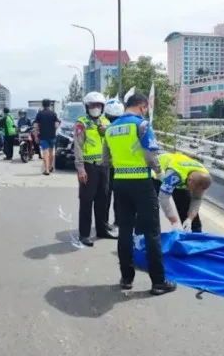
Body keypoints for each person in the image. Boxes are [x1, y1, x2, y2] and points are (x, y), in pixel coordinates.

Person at [102, 93, 177, 295]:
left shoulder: (111, 128)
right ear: (142, 106)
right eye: (146, 107)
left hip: (120, 183)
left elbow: (105, 160)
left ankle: (126, 278)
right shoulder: (141, 125)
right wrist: (160, 173)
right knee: (152, 232)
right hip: (142, 184)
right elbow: (151, 155)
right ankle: (158, 282)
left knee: (124, 230)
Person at [74, 92, 117, 246]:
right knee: (86, 201)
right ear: (87, 107)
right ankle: (84, 234)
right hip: (88, 166)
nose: (96, 108)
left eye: (98, 105)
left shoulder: (106, 121)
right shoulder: (81, 123)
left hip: (104, 166)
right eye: (93, 105)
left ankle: (102, 230)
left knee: (103, 199)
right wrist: (80, 168)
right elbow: (78, 147)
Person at [152, 152, 212, 232]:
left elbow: (197, 199)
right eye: (192, 189)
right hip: (158, 173)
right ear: (190, 180)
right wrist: (174, 221)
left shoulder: (203, 178)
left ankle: (196, 234)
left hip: (183, 174)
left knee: (185, 204)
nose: (192, 191)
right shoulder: (174, 175)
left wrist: (190, 219)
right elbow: (163, 198)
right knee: (153, 206)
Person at [104, 98, 125, 229]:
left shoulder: (106, 128)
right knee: (117, 197)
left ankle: (107, 222)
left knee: (107, 196)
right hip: (119, 168)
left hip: (111, 167)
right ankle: (116, 221)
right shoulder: (127, 126)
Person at [34, 98, 60, 175]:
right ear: (49, 105)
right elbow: (56, 125)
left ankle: (47, 170)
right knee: (51, 152)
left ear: (42, 105)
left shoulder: (39, 114)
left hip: (43, 136)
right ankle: (50, 167)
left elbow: (36, 126)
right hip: (52, 136)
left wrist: (36, 136)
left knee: (45, 153)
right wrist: (53, 130)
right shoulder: (53, 114)